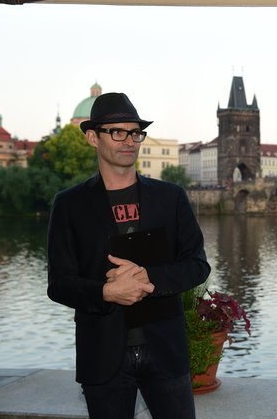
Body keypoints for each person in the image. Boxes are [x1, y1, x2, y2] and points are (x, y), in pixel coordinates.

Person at [47, 92, 211, 419]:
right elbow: (59, 284)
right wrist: (106, 292)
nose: (129, 141)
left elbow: (197, 266)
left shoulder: (171, 197)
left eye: (135, 133)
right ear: (93, 138)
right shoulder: (69, 205)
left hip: (165, 351)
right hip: (102, 353)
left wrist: (150, 278)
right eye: (117, 132)